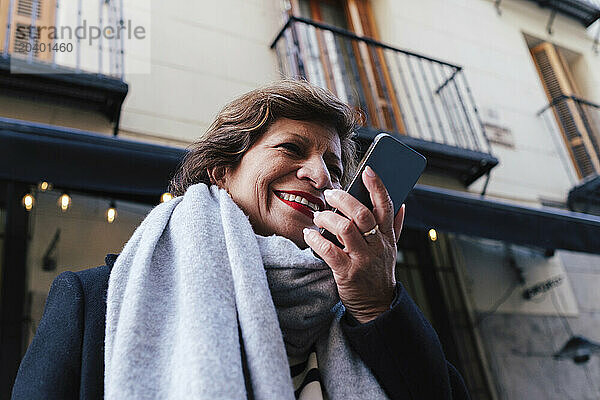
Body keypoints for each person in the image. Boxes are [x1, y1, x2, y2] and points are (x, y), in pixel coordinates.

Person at [12, 79, 470, 400]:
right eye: (291, 149)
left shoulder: (366, 316)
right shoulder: (94, 300)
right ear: (222, 172)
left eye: (334, 170)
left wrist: (376, 305)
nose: (319, 176)